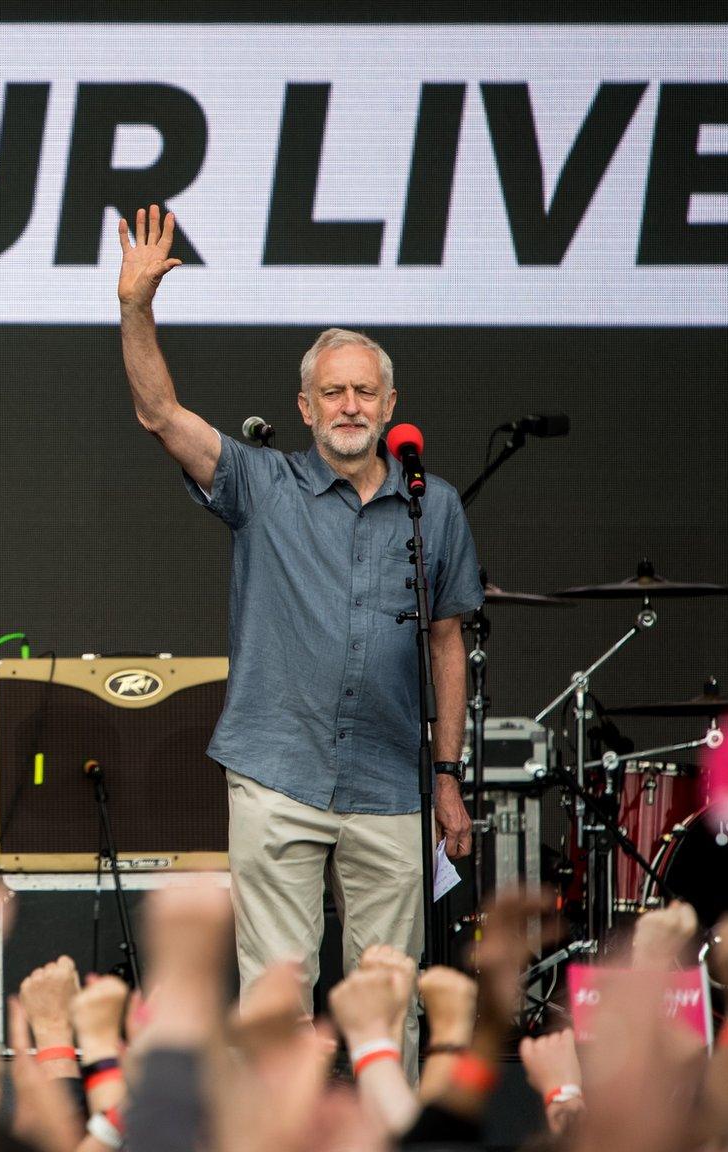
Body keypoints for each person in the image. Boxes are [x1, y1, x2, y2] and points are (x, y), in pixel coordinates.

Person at [114, 203, 481, 1026]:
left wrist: (448, 776)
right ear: (306, 408)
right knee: (276, 1004)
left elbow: (447, 640)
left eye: (364, 391)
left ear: (390, 405)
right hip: (278, 773)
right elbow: (161, 416)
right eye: (332, 393)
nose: (349, 405)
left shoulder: (435, 506)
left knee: (389, 1006)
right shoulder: (263, 485)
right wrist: (137, 308)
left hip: (392, 784)